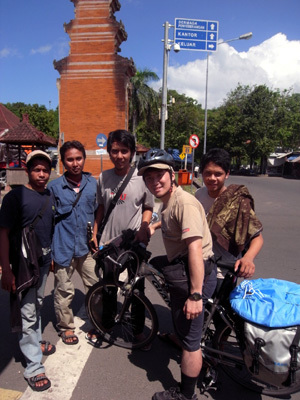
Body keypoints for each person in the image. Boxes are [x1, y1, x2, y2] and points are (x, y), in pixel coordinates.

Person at [138, 149, 217, 400]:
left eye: (159, 175)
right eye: (148, 178)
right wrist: (153, 226)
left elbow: (194, 248)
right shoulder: (170, 200)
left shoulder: (185, 203)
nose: (154, 182)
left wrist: (195, 295)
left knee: (191, 343)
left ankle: (186, 394)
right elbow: (169, 217)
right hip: (180, 265)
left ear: (172, 175)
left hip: (193, 272)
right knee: (155, 263)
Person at [86, 129, 154, 346]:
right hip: (109, 243)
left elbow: (148, 206)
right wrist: (96, 234)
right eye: (114, 151)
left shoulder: (143, 177)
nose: (119, 156)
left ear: (132, 152)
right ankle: (105, 325)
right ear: (109, 152)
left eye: (124, 151)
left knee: (137, 288)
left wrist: (144, 227)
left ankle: (137, 330)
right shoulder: (103, 177)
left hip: (134, 243)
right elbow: (101, 208)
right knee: (108, 287)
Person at [0, 150, 55, 391]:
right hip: (23, 265)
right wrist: (6, 270)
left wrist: (50, 258)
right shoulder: (15, 197)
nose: (41, 174)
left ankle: (35, 340)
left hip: (42, 263)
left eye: (45, 170)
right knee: (28, 312)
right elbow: (2, 233)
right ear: (27, 171)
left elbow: (48, 229)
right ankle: (33, 366)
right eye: (36, 170)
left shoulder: (49, 195)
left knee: (38, 303)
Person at [48, 140, 98, 345]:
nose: (75, 163)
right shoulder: (54, 188)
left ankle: (96, 323)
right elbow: (47, 222)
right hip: (62, 247)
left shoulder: (93, 184)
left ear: (84, 159)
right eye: (70, 159)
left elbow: (99, 212)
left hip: (87, 248)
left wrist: (96, 235)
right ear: (63, 162)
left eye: (79, 158)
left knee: (95, 287)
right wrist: (50, 253)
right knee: (64, 291)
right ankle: (66, 327)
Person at [195, 148, 263, 290]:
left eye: (218, 174)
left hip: (224, 271)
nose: (212, 178)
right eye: (207, 173)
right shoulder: (198, 195)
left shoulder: (238, 201)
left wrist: (248, 258)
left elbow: (257, 237)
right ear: (201, 173)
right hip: (200, 265)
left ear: (227, 174)